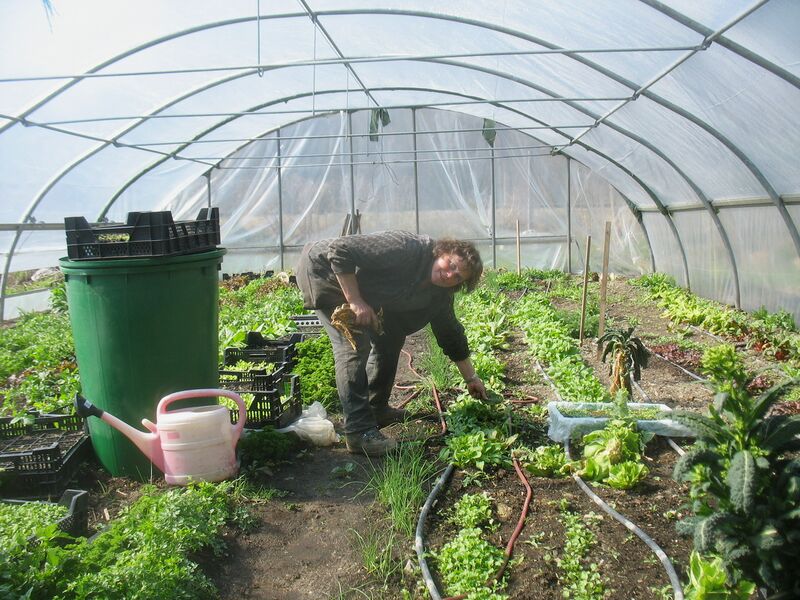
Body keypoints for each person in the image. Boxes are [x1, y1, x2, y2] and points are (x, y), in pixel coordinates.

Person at [296, 230, 488, 456]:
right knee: (354, 344)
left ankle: (376, 408)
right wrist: (355, 301)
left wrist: (471, 378)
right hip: (326, 271)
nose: (449, 275)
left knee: (391, 334)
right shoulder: (407, 247)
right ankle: (358, 432)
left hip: (361, 285)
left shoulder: (439, 295)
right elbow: (339, 250)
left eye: (457, 277)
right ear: (442, 252)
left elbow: (450, 334)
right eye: (451, 264)